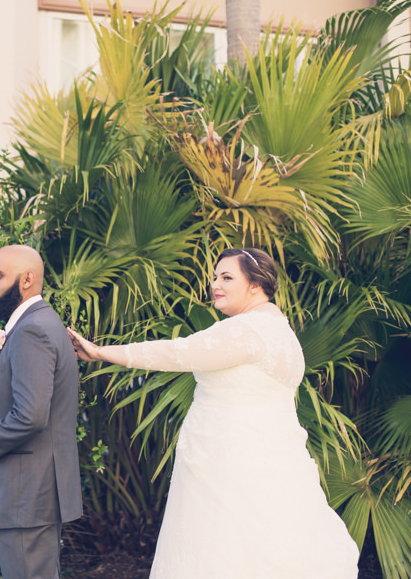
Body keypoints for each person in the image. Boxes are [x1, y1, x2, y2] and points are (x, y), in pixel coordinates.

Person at [67, 248, 360, 579]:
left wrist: (101, 352)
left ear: (255, 284)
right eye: (215, 276)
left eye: (227, 277)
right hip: (273, 464)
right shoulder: (284, 333)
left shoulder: (245, 329)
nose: (215, 284)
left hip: (225, 468)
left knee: (221, 551)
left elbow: (178, 353)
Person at [0, 244, 83, 579]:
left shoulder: (33, 330)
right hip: (28, 491)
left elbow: (30, 414)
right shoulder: (35, 324)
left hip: (26, 491)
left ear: (27, 279)